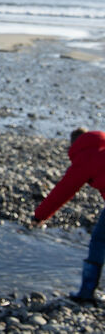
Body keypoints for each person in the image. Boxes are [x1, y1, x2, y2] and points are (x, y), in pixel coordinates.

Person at [34, 127, 105, 302]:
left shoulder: (86, 157)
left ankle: (86, 293)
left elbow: (63, 191)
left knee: (99, 240)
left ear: (74, 144)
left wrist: (39, 216)